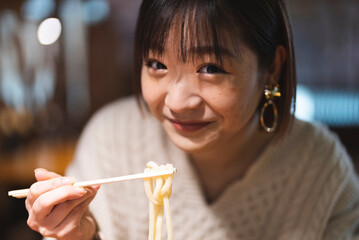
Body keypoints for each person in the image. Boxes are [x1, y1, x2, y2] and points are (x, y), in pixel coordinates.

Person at [25, 0, 359, 239]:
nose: (177, 102)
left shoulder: (320, 170)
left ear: (271, 68)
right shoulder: (110, 139)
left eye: (210, 69)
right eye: (157, 63)